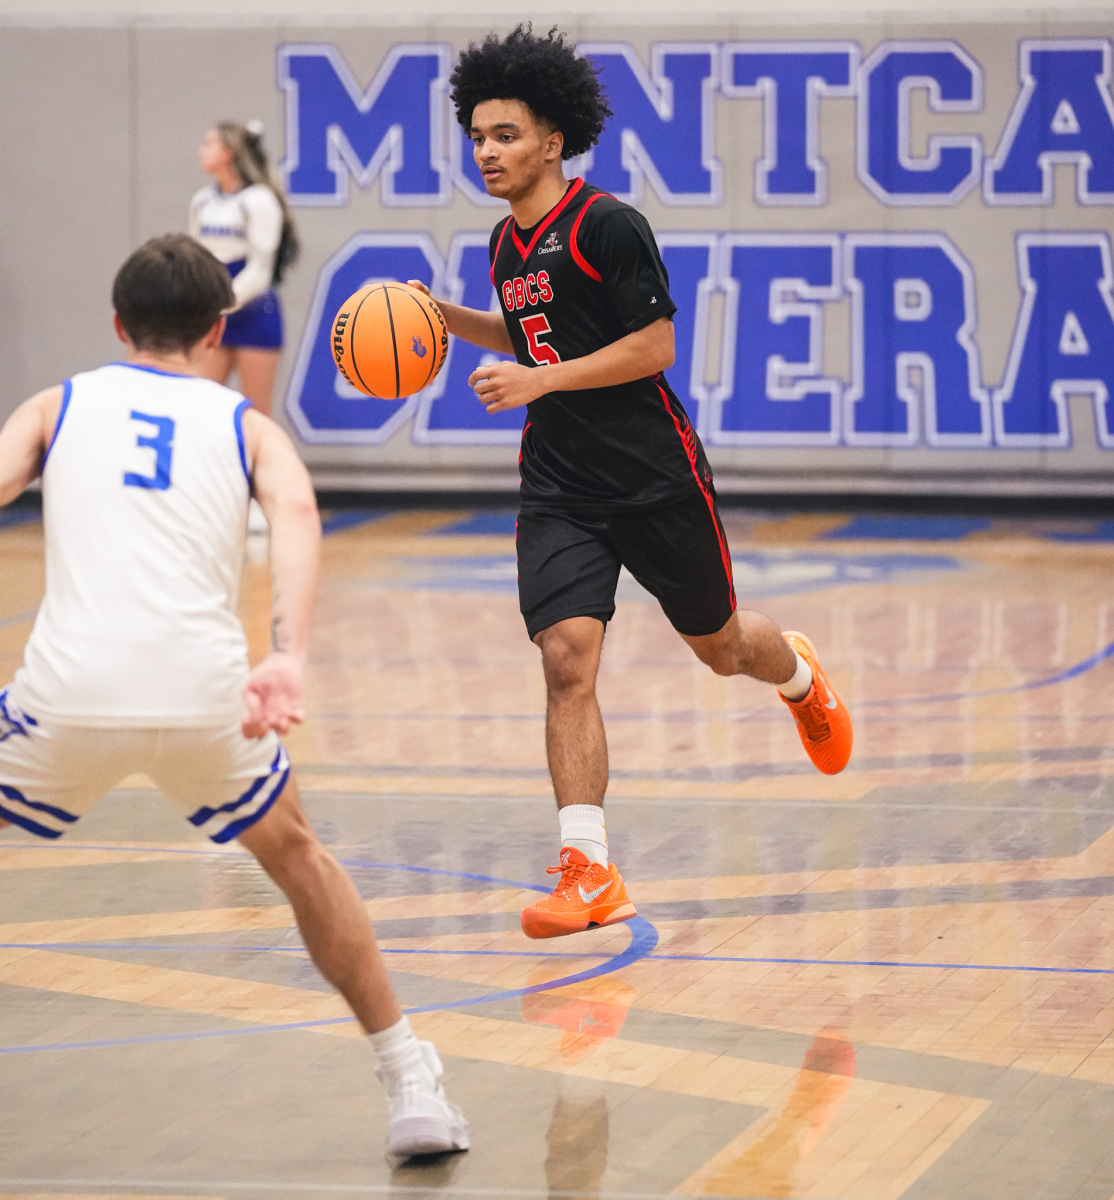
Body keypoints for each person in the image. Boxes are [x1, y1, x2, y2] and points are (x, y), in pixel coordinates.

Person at [0, 235, 468, 1164]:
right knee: (300, 860)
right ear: (218, 332)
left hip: (68, 696)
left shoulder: (57, 405)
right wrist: (287, 653)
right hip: (210, 697)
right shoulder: (247, 426)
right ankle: (409, 1080)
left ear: (118, 325)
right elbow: (295, 514)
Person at [410, 26, 854, 941]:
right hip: (560, 484)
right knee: (565, 658)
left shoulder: (607, 225)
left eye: (504, 135)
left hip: (653, 475)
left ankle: (799, 675)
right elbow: (529, 333)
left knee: (721, 647)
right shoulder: (506, 242)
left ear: (552, 141)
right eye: (478, 136)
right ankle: (591, 871)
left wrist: (540, 380)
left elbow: (654, 347)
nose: (486, 151)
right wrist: (446, 318)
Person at [191, 121, 298, 533]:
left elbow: (261, 269)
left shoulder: (259, 200)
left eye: (209, 142)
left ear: (230, 152)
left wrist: (223, 301)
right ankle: (209, 499)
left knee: (257, 413)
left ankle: (258, 501)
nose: (201, 149)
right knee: (204, 408)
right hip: (214, 311)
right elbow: (196, 256)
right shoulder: (203, 201)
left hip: (252, 312)